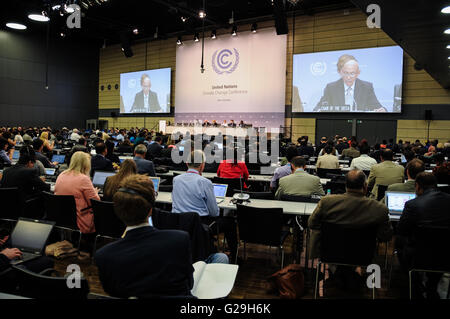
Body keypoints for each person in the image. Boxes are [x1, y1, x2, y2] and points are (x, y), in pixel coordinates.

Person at [94, 174, 194, 298]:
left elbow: (114, 292)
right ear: (150, 210)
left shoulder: (103, 256)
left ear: (118, 211)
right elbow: (189, 284)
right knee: (219, 258)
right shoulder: (179, 239)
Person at [308, 170, 392, 289]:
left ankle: (339, 273)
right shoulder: (379, 209)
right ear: (365, 186)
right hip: (363, 254)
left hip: (331, 252)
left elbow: (312, 223)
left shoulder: (327, 202)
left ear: (345, 185)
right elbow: (386, 236)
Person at [172, 150, 238, 262]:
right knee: (230, 223)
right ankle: (234, 257)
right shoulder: (205, 182)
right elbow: (214, 213)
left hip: (179, 222)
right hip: (201, 224)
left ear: (187, 163)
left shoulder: (176, 180)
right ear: (202, 165)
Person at [396, 173, 450, 298]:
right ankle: (432, 284)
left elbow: (401, 230)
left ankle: (414, 283)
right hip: (446, 255)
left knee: (400, 243)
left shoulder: (412, 205)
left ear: (417, 186)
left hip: (418, 256)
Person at [314, 54, 386, 112]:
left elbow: (377, 107)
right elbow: (319, 108)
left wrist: (382, 110)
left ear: (358, 73)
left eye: (352, 73)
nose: (349, 77)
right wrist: (320, 110)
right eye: (346, 73)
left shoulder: (366, 87)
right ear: (339, 72)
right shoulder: (331, 88)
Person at [54, 152, 100, 235]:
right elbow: (95, 203)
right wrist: (95, 192)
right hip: (80, 220)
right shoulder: (83, 179)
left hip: (62, 217)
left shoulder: (61, 174)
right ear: (86, 164)